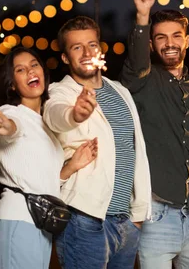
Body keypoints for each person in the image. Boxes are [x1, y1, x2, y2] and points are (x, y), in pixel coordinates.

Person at [42, 16, 151, 269]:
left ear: (100, 49)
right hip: (84, 219)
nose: (86, 52)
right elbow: (55, 115)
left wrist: (137, 217)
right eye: (76, 47)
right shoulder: (61, 93)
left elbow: (136, 151)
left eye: (91, 44)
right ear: (66, 58)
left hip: (125, 222)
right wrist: (75, 114)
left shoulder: (120, 91)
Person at [121, 0, 189, 268]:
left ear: (187, 40)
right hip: (156, 214)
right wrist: (142, 15)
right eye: (161, 37)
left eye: (176, 36)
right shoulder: (143, 79)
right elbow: (136, 62)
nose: (170, 43)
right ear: (151, 43)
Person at [0, 46, 97, 269]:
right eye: (20, 69)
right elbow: (12, 130)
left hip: (42, 223)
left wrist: (72, 166)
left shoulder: (46, 123)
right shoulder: (11, 113)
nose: (30, 72)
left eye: (34, 65)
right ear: (12, 84)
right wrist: (6, 127)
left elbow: (43, 179)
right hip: (17, 221)